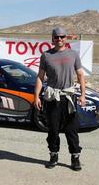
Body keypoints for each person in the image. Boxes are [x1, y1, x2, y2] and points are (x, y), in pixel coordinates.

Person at [35, 27, 85, 171]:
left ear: (66, 38)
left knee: (71, 130)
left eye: (62, 37)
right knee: (53, 130)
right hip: (52, 98)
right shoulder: (46, 55)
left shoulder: (73, 54)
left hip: (68, 97)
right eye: (56, 37)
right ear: (52, 38)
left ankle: (75, 158)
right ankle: (53, 156)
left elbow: (81, 75)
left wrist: (82, 95)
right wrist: (36, 96)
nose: (59, 39)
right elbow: (40, 77)